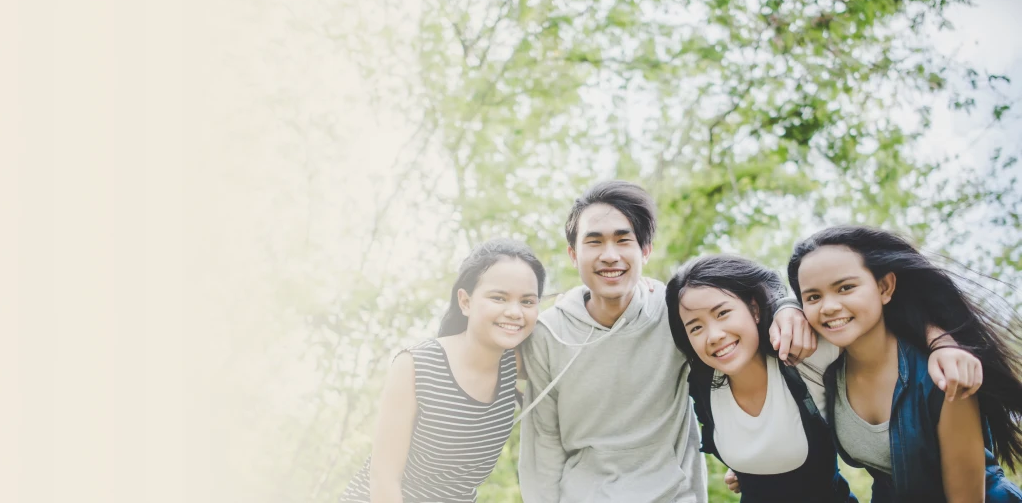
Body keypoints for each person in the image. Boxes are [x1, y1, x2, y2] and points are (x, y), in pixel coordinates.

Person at [516, 180, 818, 503]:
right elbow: (543, 446)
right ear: (573, 255)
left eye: (623, 240)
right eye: (594, 242)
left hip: (674, 495)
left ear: (645, 250)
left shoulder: (675, 312)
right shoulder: (549, 333)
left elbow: (749, 296)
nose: (610, 255)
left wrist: (787, 306)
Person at [666, 254, 984, 502]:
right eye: (695, 327)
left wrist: (941, 344)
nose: (714, 335)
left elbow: (887, 320)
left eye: (722, 313)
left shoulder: (804, 355)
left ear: (754, 308)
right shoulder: (703, 385)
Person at [789, 225, 1022, 502]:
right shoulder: (827, 374)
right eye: (813, 297)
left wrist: (941, 341)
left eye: (846, 287)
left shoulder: (940, 374)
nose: (828, 306)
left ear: (884, 287)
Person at [340, 238, 546, 503]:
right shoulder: (416, 365)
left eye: (528, 302)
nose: (515, 312)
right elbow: (384, 479)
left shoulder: (512, 364)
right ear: (465, 301)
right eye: (499, 297)